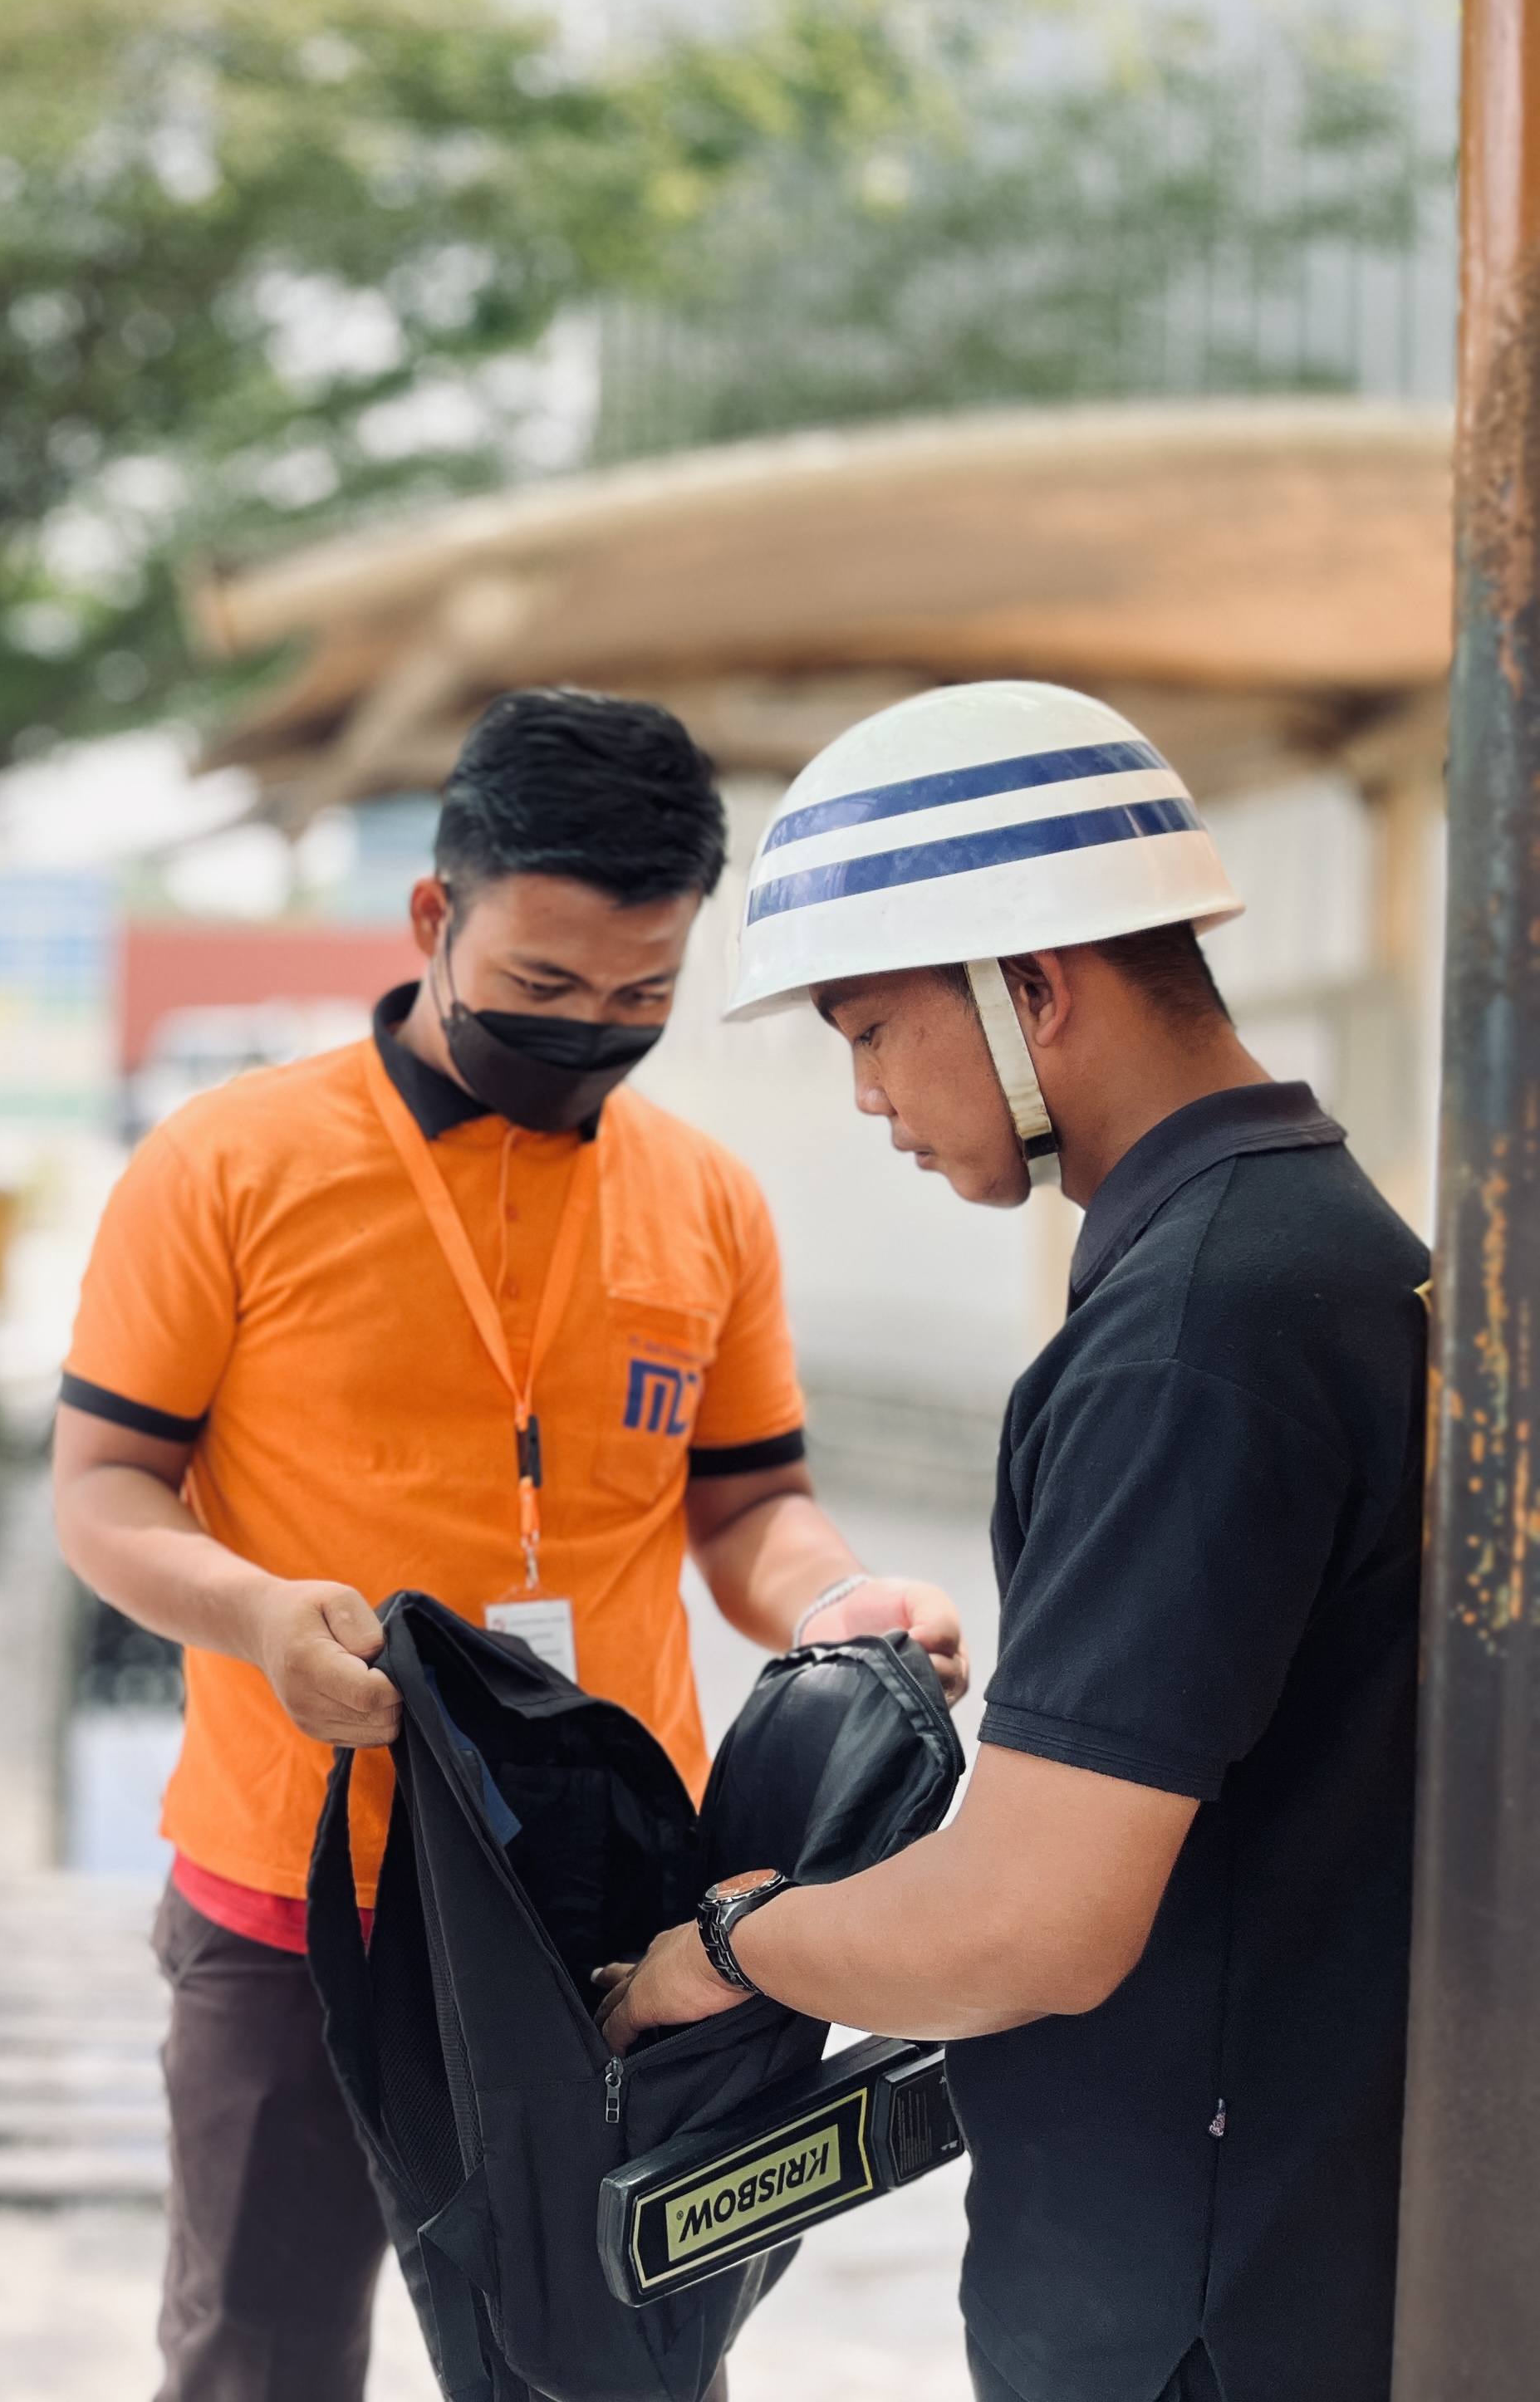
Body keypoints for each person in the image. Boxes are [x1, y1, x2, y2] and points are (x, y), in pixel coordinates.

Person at [51, 686, 968, 2402]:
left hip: (614, 1913)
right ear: (432, 918)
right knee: (258, 2356)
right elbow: (102, 1490)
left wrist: (840, 1605)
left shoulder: (704, 1198)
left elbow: (749, 1506)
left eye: (641, 996)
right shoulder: (228, 1164)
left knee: (612, 2361)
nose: (590, 1030)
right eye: (542, 988)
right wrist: (255, 1615)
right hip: (296, 1887)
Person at [596, 680, 1425, 2402]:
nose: (869, 1096)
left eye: (870, 1028)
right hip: (1303, 2220)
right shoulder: (1321, 1243)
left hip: (1190, 2294)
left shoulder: (1194, 1333)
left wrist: (731, 1945)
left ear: (1032, 989)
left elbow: (1035, 1924)